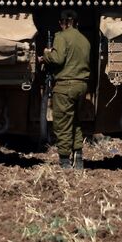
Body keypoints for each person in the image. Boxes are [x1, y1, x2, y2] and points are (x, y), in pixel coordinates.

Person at [44, 9, 90, 169]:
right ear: (76, 22)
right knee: (76, 121)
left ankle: (65, 161)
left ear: (62, 23)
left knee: (62, 123)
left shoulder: (61, 36)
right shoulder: (85, 40)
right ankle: (78, 157)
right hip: (81, 86)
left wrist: (46, 55)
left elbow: (58, 58)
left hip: (65, 87)